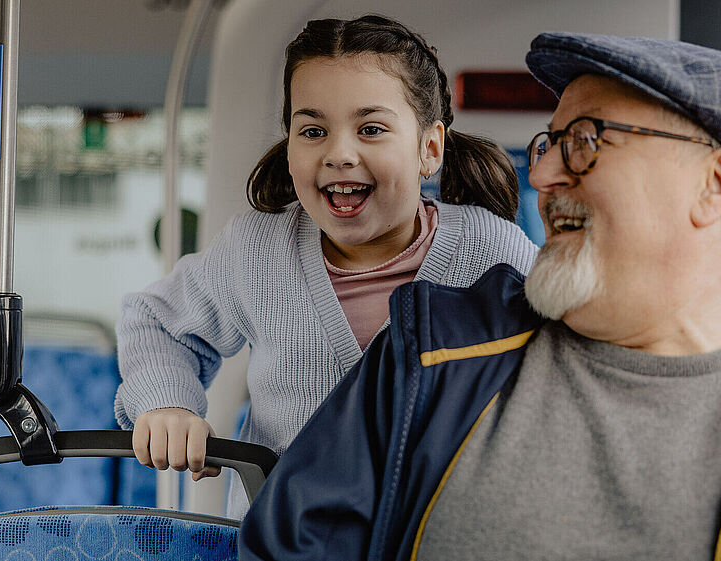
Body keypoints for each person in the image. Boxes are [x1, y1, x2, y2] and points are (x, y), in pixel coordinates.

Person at [240, 33, 721, 560]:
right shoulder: (428, 352)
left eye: (585, 142)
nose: (540, 172)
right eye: (549, 141)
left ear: (715, 184)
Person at [113, 14, 538, 515]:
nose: (339, 153)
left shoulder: (492, 253)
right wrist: (169, 403)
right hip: (282, 540)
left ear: (429, 149)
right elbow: (158, 321)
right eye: (313, 130)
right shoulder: (259, 248)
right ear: (289, 147)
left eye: (372, 129)